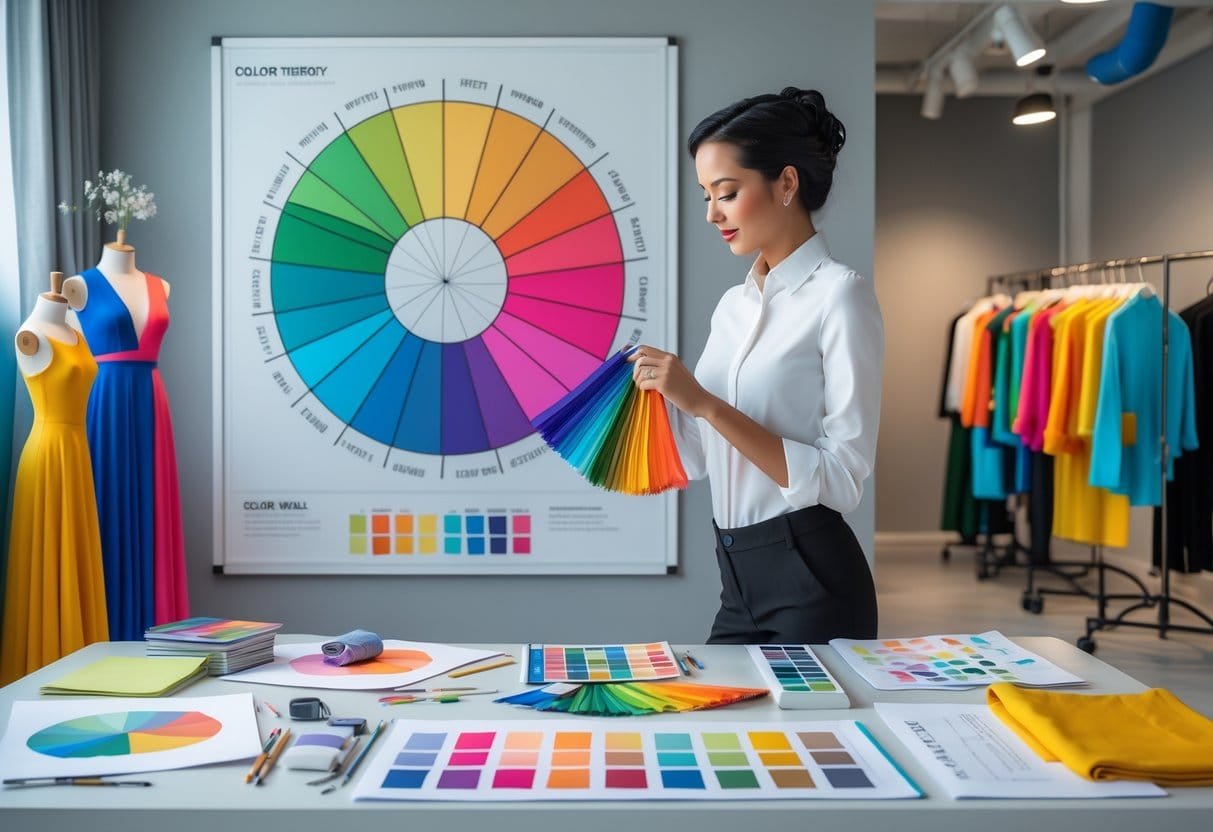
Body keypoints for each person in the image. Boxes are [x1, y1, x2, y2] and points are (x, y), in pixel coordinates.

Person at [628, 87, 884, 644]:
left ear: (786, 184)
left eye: (726, 192)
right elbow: (699, 457)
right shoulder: (733, 306)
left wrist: (704, 403)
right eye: (705, 195)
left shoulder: (841, 296)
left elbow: (842, 478)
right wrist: (656, 395)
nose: (711, 214)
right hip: (737, 578)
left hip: (812, 577)